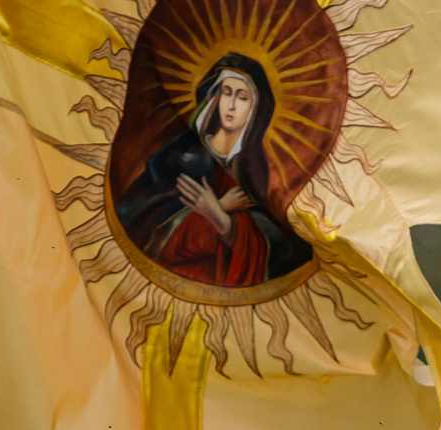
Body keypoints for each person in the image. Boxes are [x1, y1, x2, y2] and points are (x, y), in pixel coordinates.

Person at [112, 55, 312, 288]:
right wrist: (220, 209)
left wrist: (224, 221)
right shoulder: (180, 155)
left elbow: (283, 252)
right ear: (215, 97)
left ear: (255, 108)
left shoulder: (257, 174)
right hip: (166, 282)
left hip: (221, 294)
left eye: (242, 97)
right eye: (227, 92)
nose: (231, 105)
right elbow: (143, 228)